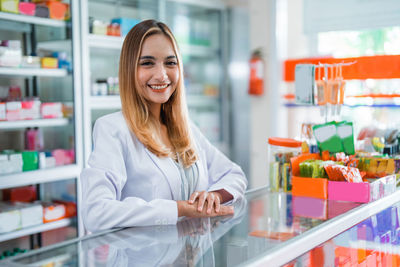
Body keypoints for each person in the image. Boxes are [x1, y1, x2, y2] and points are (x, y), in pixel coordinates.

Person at [81, 19, 247, 232]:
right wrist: (179, 209)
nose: (161, 75)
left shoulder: (185, 129)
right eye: (147, 63)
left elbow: (235, 175)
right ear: (129, 69)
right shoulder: (113, 129)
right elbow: (96, 212)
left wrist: (213, 196)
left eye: (170, 63)